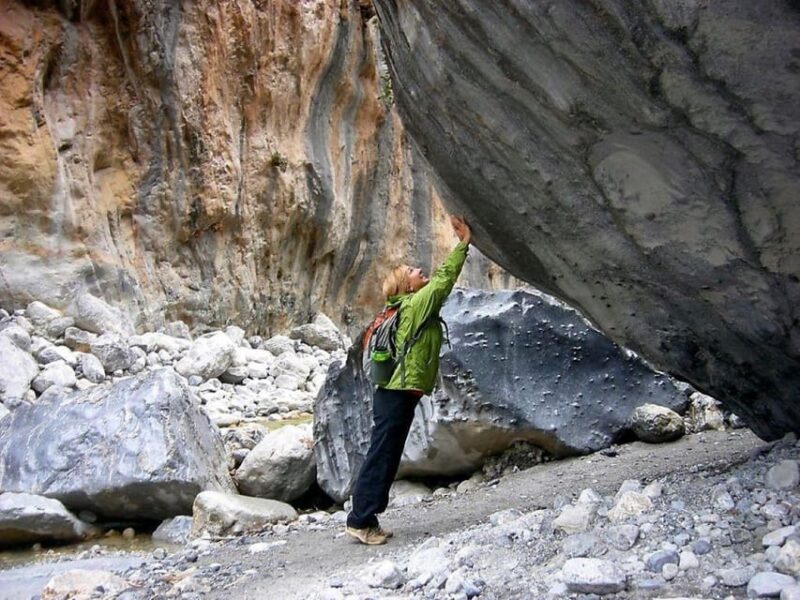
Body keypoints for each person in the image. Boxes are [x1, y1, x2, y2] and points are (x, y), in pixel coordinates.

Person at [346, 215, 472, 545]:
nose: (421, 272)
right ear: (407, 286)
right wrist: (463, 245)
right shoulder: (415, 305)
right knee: (382, 453)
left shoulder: (399, 308)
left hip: (395, 392)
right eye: (414, 272)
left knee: (384, 452)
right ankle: (360, 520)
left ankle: (365, 517)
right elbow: (444, 281)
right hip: (397, 393)